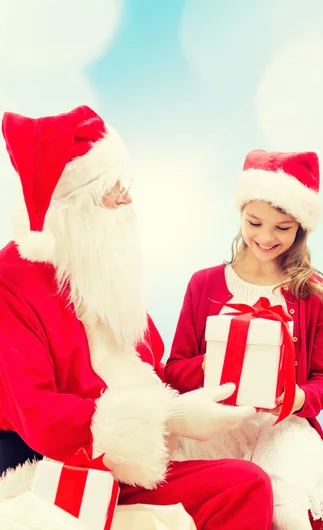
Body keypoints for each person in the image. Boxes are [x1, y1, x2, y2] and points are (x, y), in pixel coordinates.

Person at [0, 106, 273, 529]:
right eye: (113, 188)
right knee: (245, 485)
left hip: (128, 461)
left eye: (124, 183)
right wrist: (168, 418)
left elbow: (150, 371)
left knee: (248, 482)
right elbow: (40, 417)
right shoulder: (11, 283)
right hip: (55, 468)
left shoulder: (98, 263)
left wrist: (227, 365)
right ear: (74, 206)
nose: (127, 198)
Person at [165, 150, 323, 530]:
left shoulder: (317, 294)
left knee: (287, 507)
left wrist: (296, 397)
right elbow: (175, 371)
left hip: (280, 427)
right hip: (214, 426)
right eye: (254, 222)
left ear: (301, 228)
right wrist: (224, 360)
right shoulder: (205, 284)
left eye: (282, 227)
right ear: (241, 214)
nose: (265, 237)